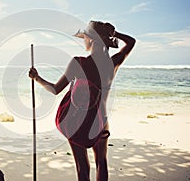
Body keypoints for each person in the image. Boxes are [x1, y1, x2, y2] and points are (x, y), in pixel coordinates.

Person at [29, 21, 135, 181]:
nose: (83, 40)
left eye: (84, 37)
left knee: (82, 167)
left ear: (91, 39)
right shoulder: (112, 63)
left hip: (78, 120)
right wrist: (114, 34)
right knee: (101, 163)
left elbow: (55, 89)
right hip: (101, 121)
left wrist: (37, 78)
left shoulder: (79, 63)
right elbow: (131, 42)